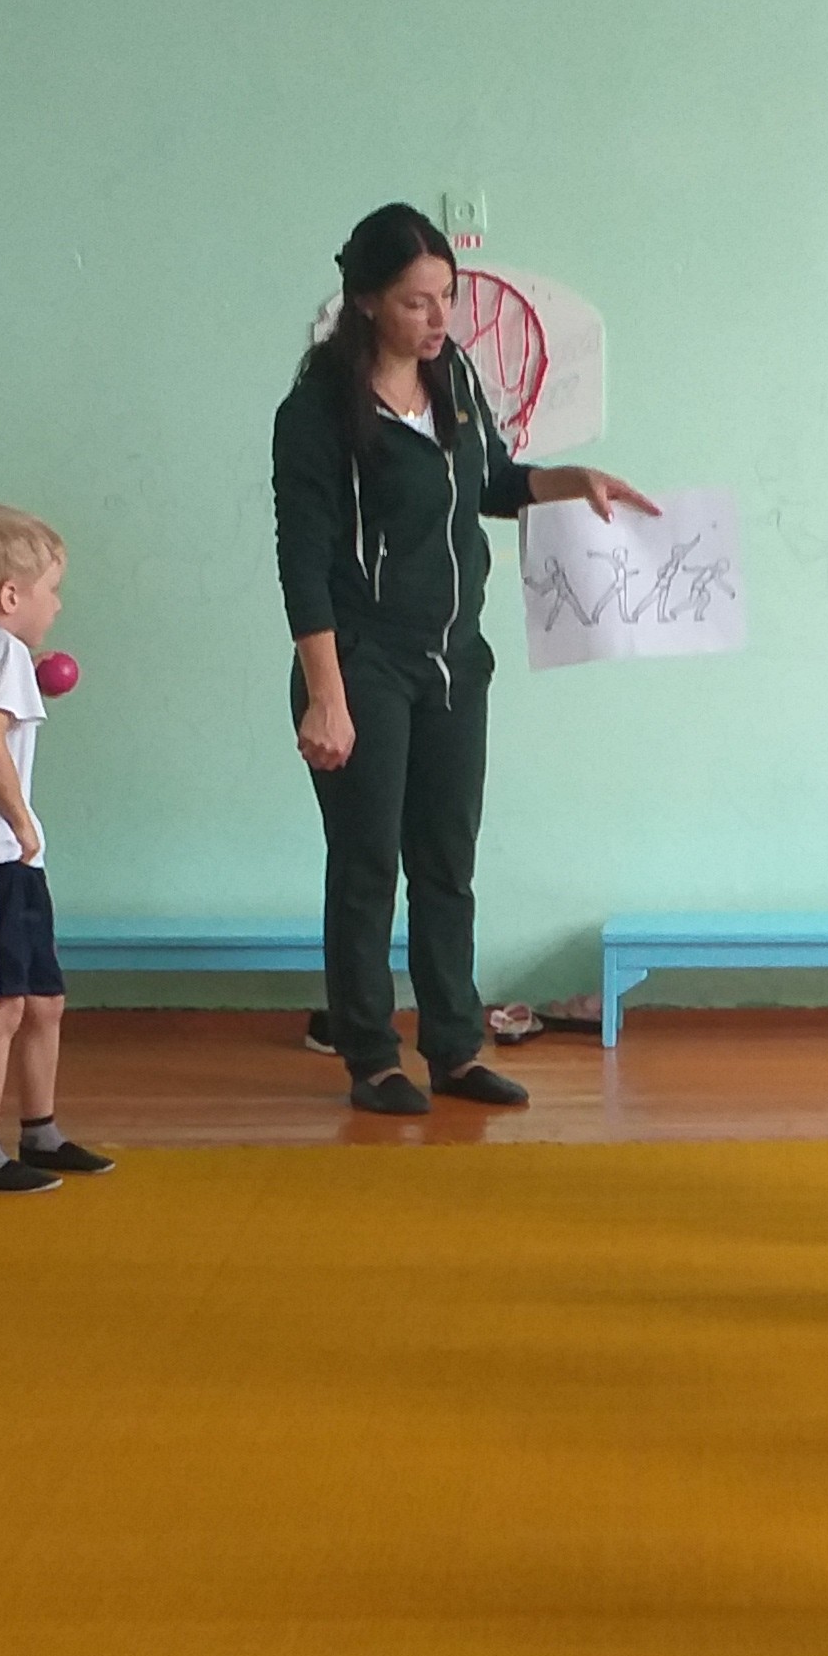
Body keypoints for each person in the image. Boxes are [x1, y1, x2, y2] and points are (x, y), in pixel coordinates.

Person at [272, 205, 657, 1119]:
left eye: (446, 297)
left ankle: (453, 1047)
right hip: (361, 662)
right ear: (367, 302)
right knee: (367, 867)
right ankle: (371, 1056)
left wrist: (569, 482)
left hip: (454, 662)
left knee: (446, 863)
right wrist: (326, 696)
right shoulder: (317, 410)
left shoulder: (455, 380)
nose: (439, 317)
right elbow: (304, 559)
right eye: (417, 301)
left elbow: (492, 481)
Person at [0, 503, 111, 1193]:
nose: (57, 606)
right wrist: (21, 821)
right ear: (11, 595)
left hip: (3, 857)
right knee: (4, 1006)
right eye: (51, 591)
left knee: (43, 1001)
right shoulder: (1, 652)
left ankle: (41, 1131)